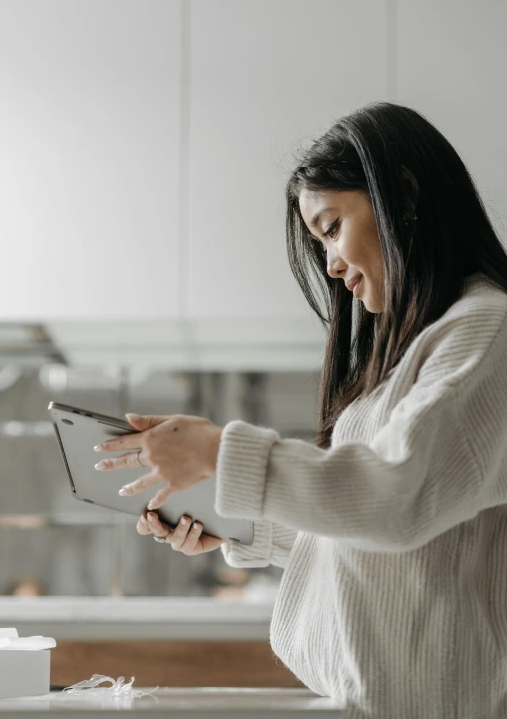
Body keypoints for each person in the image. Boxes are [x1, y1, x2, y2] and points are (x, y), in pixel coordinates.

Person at [93, 102, 507, 719]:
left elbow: (395, 499)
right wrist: (240, 520)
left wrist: (218, 452)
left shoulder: (486, 329)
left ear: (405, 195)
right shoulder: (431, 343)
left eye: (333, 225)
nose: (333, 264)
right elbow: (386, 544)